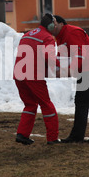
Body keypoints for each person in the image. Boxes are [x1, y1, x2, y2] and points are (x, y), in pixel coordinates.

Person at [49, 15, 89, 145]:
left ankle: (77, 137)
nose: (51, 27)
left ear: (60, 23)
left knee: (81, 102)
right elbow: (62, 58)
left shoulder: (72, 32)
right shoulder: (60, 37)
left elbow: (80, 56)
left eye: (53, 23)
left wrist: (67, 71)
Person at [13, 14, 61, 145]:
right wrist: (59, 65)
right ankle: (52, 138)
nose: (56, 26)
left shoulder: (28, 34)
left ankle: (22, 135)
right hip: (32, 75)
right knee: (46, 105)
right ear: (50, 25)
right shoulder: (47, 37)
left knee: (30, 104)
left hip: (18, 74)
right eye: (55, 23)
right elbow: (49, 56)